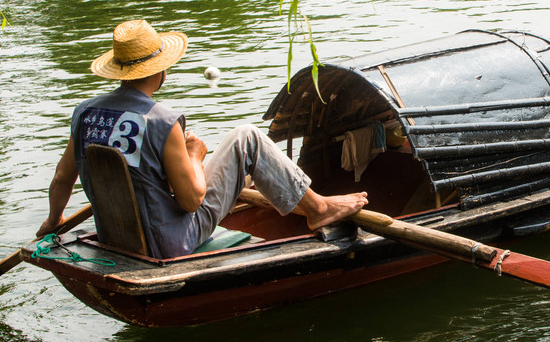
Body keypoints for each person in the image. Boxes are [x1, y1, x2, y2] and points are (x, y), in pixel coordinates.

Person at [38, 19, 367, 258]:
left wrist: (54, 220)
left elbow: (62, 178)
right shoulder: (162, 122)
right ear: (161, 70)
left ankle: (281, 189)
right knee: (246, 139)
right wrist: (195, 155)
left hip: (116, 237)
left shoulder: (84, 113)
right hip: (171, 241)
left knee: (240, 165)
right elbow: (191, 202)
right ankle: (318, 207)